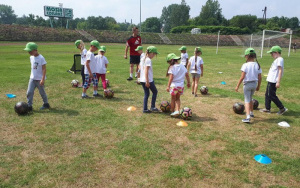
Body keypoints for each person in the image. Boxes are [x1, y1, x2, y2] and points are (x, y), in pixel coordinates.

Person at [235, 48, 262, 123]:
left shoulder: (245, 65)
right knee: (250, 98)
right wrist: (258, 86)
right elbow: (260, 77)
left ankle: (247, 117)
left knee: (247, 100)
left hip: (247, 85)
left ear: (246, 56)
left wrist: (237, 86)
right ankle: (252, 113)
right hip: (254, 84)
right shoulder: (257, 65)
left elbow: (242, 77)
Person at [260, 46, 288, 115]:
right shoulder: (277, 59)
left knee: (271, 95)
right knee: (267, 94)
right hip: (270, 80)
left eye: (272, 53)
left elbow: (280, 70)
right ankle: (267, 108)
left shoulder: (279, 59)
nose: (271, 55)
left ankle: (282, 108)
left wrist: (278, 81)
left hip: (273, 81)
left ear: (276, 52)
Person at [23, 42, 50, 111]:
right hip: (32, 78)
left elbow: (44, 69)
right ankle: (29, 106)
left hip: (39, 79)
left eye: (30, 51)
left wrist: (42, 79)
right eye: (28, 51)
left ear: (35, 50)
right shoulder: (31, 57)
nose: (29, 52)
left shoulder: (41, 58)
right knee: (29, 92)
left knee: (42, 92)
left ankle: (46, 104)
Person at [139, 46, 159, 113]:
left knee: (146, 93)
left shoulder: (143, 58)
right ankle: (152, 107)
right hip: (148, 80)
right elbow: (146, 71)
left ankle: (145, 109)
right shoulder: (148, 60)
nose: (154, 56)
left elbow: (139, 68)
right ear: (151, 53)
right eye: (154, 54)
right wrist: (147, 81)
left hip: (142, 79)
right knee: (155, 92)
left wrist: (139, 78)